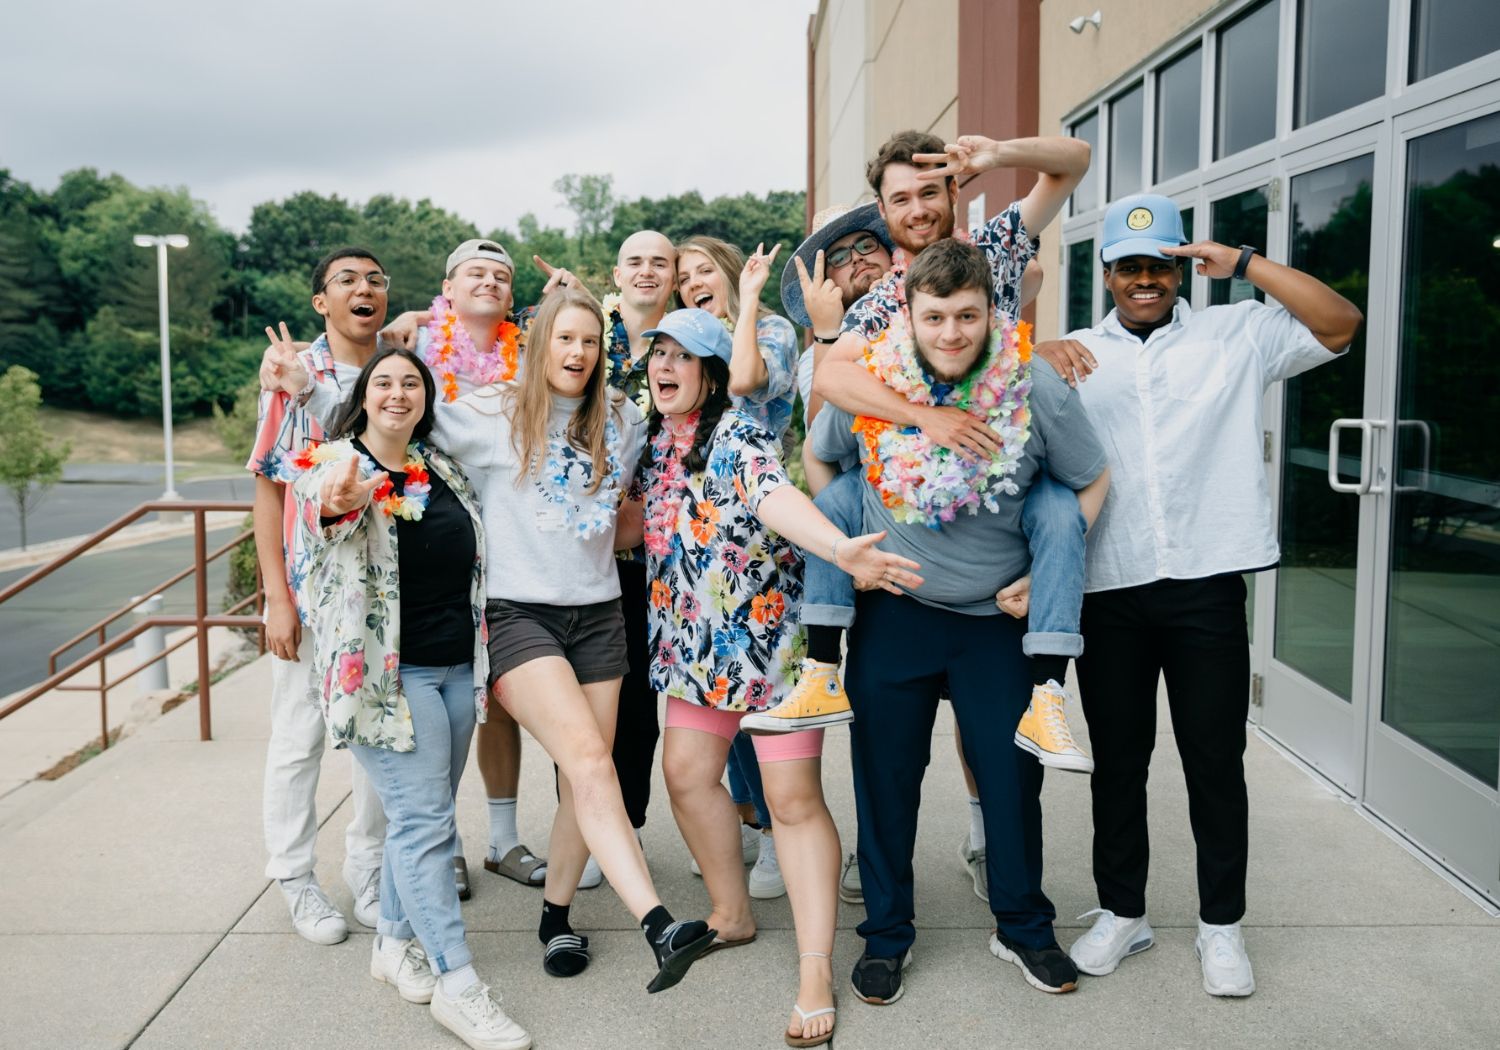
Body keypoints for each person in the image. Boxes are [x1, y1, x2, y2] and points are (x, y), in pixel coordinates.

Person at [1040, 194, 1362, 998]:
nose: (1144, 279)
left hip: (1207, 585)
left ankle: (1222, 926)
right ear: (1106, 274)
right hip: (1109, 586)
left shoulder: (1237, 332)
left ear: (1181, 267)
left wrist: (1246, 264)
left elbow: (1340, 324)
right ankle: (1124, 912)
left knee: (1215, 762)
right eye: (1129, 267)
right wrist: (1031, 351)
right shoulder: (1075, 354)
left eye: (1159, 264)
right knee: (1119, 764)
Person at [810, 238, 1109, 1003]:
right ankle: (886, 936)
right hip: (897, 612)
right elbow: (823, 465)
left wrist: (1044, 574)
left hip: (993, 621)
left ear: (991, 315)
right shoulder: (874, 380)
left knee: (1011, 780)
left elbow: (1092, 480)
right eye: (935, 316)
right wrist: (853, 555)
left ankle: (1024, 928)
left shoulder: (1035, 386)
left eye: (967, 316)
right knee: (885, 783)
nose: (951, 333)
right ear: (909, 315)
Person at [638, 308, 922, 1046]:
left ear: (712, 374)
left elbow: (775, 497)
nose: (665, 366)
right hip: (697, 654)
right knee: (686, 776)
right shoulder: (655, 443)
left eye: (682, 356)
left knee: (791, 803)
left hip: (770, 652)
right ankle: (731, 914)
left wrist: (838, 547)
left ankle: (815, 968)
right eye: (657, 354)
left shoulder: (738, 435)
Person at [424, 288, 717, 990]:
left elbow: (635, 497)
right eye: (565, 339)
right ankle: (658, 924)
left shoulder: (620, 418)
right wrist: (308, 387)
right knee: (588, 760)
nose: (578, 352)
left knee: (585, 776)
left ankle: (556, 918)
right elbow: (396, 414)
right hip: (518, 615)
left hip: (599, 614)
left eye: (589, 341)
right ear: (538, 345)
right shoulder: (493, 412)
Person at [287, 345, 529, 1050]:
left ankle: (393, 944)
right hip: (386, 681)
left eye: (412, 384)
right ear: (364, 396)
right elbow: (324, 506)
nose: (398, 393)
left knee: (419, 821)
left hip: (455, 668)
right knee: (428, 826)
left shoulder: (438, 467)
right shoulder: (332, 463)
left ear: (425, 399)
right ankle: (459, 984)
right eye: (384, 382)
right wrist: (340, 498)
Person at [247, 247, 387, 946]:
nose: (364, 289)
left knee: (379, 737)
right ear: (320, 302)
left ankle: (369, 869)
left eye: (375, 280)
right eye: (347, 280)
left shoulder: (401, 370)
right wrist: (277, 598)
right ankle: (295, 876)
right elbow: (268, 491)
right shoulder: (290, 372)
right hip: (310, 592)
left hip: (382, 592)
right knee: (299, 737)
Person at [673, 234, 804, 898]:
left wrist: (747, 302)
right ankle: (749, 822)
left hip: (757, 531)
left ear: (729, 272)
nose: (693, 280)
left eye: (704, 269)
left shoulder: (771, 330)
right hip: (704, 530)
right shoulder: (691, 345)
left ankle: (779, 835)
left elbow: (747, 381)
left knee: (759, 691)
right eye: (684, 275)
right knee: (721, 687)